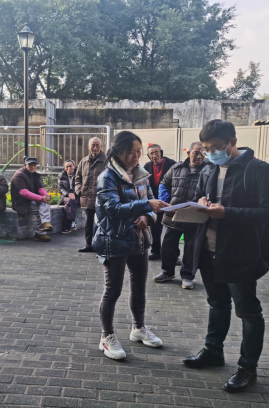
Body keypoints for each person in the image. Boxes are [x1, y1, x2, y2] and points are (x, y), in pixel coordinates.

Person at [182, 120, 269, 393]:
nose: (211, 153)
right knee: (217, 303)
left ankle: (248, 368)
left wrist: (227, 213)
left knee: (248, 312)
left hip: (241, 252)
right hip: (208, 249)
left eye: (217, 147)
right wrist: (201, 202)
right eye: (206, 149)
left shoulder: (259, 170)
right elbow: (201, 195)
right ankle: (213, 351)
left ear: (233, 142)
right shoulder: (208, 168)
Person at [93, 131, 170, 360]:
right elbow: (113, 209)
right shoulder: (107, 177)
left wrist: (148, 217)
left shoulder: (141, 174)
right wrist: (146, 206)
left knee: (139, 287)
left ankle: (138, 328)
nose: (137, 156)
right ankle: (106, 337)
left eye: (139, 152)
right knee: (113, 290)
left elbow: (152, 204)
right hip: (114, 240)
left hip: (139, 239)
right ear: (119, 152)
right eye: (132, 152)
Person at [153, 142, 206, 290]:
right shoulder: (176, 167)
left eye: (203, 153)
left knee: (191, 249)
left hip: (194, 216)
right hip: (172, 214)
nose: (200, 156)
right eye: (196, 152)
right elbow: (164, 184)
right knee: (167, 246)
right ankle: (167, 272)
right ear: (188, 153)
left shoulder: (208, 170)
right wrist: (166, 202)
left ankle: (187, 276)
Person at [143, 144, 176, 260]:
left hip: (169, 201)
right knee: (155, 227)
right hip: (153, 202)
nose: (154, 155)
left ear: (161, 152)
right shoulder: (147, 166)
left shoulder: (172, 165)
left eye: (156, 152)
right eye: (151, 153)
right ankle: (156, 251)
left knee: (170, 229)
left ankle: (172, 255)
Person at [11, 157, 54, 242]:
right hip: (21, 203)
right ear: (25, 165)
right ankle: (40, 232)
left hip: (31, 201)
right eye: (30, 165)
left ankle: (44, 225)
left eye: (34, 165)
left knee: (44, 204)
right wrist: (41, 198)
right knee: (41, 210)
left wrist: (46, 196)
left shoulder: (35, 175)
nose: (32, 167)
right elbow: (24, 192)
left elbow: (40, 188)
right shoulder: (19, 175)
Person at [75, 137, 106, 252]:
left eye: (97, 145)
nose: (95, 148)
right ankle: (89, 244)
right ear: (88, 147)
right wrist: (79, 190)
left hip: (101, 199)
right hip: (87, 197)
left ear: (101, 146)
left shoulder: (107, 161)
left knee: (101, 224)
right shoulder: (83, 161)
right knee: (88, 223)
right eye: (93, 145)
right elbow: (77, 178)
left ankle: (100, 246)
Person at [58, 160, 80, 234]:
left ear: (74, 166)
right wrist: (68, 194)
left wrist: (75, 194)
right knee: (70, 201)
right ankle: (72, 222)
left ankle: (66, 228)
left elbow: (80, 186)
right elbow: (60, 188)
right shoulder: (61, 175)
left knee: (68, 205)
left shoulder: (79, 174)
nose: (69, 168)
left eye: (70, 166)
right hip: (65, 196)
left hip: (77, 196)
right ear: (64, 168)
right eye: (67, 167)